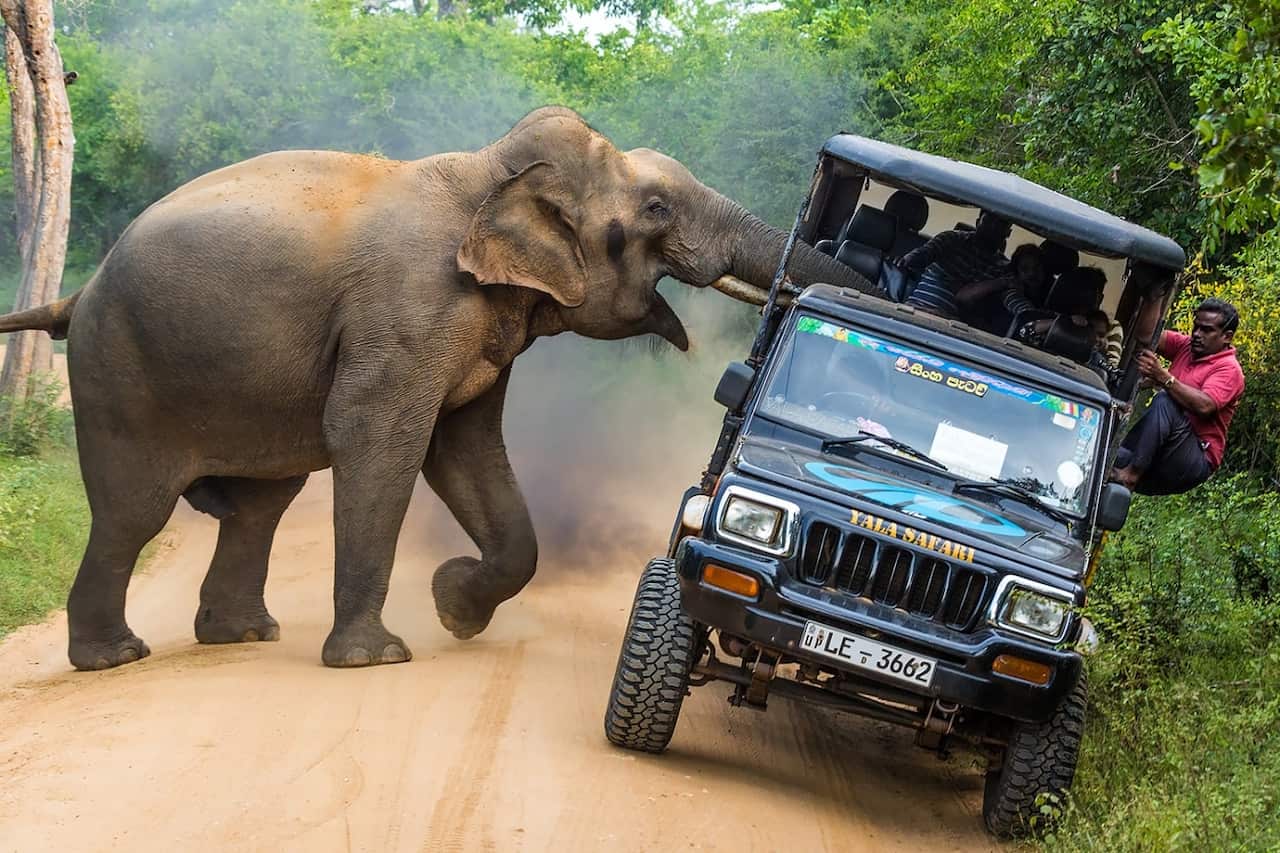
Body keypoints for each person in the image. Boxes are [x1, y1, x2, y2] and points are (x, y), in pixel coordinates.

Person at [1110, 298, 1245, 495]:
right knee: (1106, 458)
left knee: (1165, 400)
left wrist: (1163, 377)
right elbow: (1147, 335)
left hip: (1193, 458)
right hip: (1161, 449)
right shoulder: (1186, 347)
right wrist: (1156, 293)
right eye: (1196, 327)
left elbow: (1205, 406)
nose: (1197, 334)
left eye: (1206, 330)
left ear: (1227, 336)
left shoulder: (1229, 369)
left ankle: (1131, 475)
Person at [899, 210, 1012, 318]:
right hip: (914, 309)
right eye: (988, 221)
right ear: (977, 222)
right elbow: (923, 254)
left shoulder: (1003, 270)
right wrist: (910, 258)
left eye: (1000, 225)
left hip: (954, 327)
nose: (992, 228)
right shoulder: (951, 239)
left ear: (1008, 233)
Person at [955, 243, 1048, 334]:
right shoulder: (1011, 294)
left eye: (1037, 267)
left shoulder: (1045, 298)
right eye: (1025, 269)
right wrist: (1053, 323)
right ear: (1016, 273)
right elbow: (1030, 318)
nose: (1032, 273)